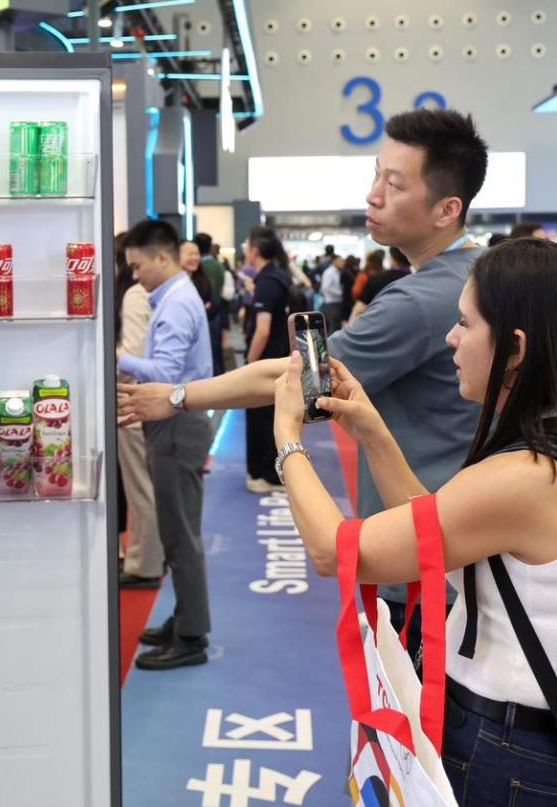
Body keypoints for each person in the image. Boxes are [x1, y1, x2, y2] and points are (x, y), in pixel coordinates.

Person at [271, 237, 557, 807]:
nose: (451, 341)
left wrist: (285, 437)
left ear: (515, 349)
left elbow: (336, 550)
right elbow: (441, 531)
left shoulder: (528, 478)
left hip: (500, 762)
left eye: (466, 324)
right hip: (509, 751)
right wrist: (376, 434)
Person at [120, 107, 488, 647]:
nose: (373, 195)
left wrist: (179, 396)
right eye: (376, 175)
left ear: (446, 209)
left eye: (394, 183)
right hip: (452, 545)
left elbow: (297, 373)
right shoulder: (476, 274)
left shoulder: (423, 298)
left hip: (423, 562)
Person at [118, 219, 214, 670]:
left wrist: (118, 357)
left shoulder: (174, 304)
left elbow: (166, 373)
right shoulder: (175, 297)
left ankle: (192, 635)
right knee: (179, 531)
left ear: (161, 257)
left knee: (179, 534)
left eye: (138, 266)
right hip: (179, 423)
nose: (135, 276)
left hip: (177, 424)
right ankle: (185, 617)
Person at [115, 233, 163, 589]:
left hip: (132, 398)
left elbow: (132, 353)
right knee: (144, 483)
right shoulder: (154, 294)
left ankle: (143, 562)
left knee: (139, 486)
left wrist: (114, 355)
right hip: (149, 397)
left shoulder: (134, 295)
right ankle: (145, 556)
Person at [242, 226, 292, 493]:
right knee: (271, 414)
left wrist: (249, 363)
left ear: (255, 251)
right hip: (278, 356)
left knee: (260, 416)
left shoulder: (267, 281)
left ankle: (263, 474)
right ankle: (273, 471)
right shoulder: (278, 276)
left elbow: (262, 330)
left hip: (265, 360)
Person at [348, 246, 411, 324]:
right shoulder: (418, 281)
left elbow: (358, 310)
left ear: (392, 258)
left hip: (376, 325)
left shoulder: (375, 279)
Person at [195, 232, 225, 376]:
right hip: (217, 312)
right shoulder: (218, 266)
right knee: (216, 353)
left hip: (205, 315)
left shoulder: (199, 268)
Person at [180, 239, 215, 314]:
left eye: (197, 254)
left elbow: (213, 309)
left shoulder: (205, 282)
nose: (194, 258)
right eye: (190, 254)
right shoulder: (171, 283)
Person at [319, 252, 345, 334]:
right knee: (333, 327)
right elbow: (326, 287)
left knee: (336, 326)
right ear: (334, 261)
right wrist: (340, 293)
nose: (342, 263)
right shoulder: (329, 272)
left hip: (336, 302)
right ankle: (331, 346)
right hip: (331, 303)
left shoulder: (337, 272)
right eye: (340, 261)